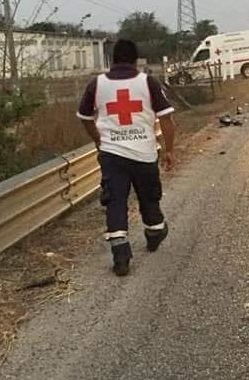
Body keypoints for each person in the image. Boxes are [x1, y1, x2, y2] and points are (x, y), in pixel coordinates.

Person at [76, 39, 177, 277]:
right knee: (149, 197)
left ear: (112, 59)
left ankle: (121, 255)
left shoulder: (97, 84)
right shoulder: (147, 82)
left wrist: (98, 140)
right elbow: (166, 120)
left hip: (112, 154)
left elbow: (84, 116)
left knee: (115, 201)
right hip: (144, 153)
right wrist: (170, 150)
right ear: (135, 60)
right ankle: (154, 232)